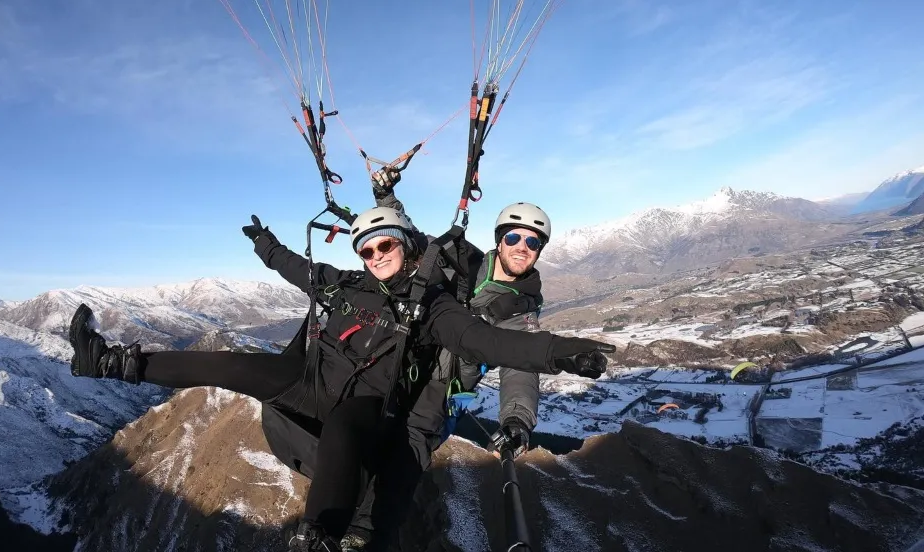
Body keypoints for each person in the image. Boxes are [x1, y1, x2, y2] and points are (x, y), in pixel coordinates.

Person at [66, 206, 615, 551]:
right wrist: (267, 248)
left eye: (386, 245)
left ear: (406, 248)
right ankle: (110, 362)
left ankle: (318, 535)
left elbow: (490, 344)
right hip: (312, 380)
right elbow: (305, 273)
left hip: (377, 402)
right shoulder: (351, 283)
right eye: (368, 249)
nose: (376, 255)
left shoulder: (433, 307)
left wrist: (560, 353)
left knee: (354, 439)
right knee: (235, 366)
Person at [342, 169, 556, 549]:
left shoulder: (521, 312)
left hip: (443, 385)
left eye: (532, 242)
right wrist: (385, 195)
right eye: (514, 237)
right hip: (409, 352)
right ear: (500, 240)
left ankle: (364, 535)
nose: (522, 247)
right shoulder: (462, 260)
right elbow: (412, 239)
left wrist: (517, 419)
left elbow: (521, 368)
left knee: (413, 442)